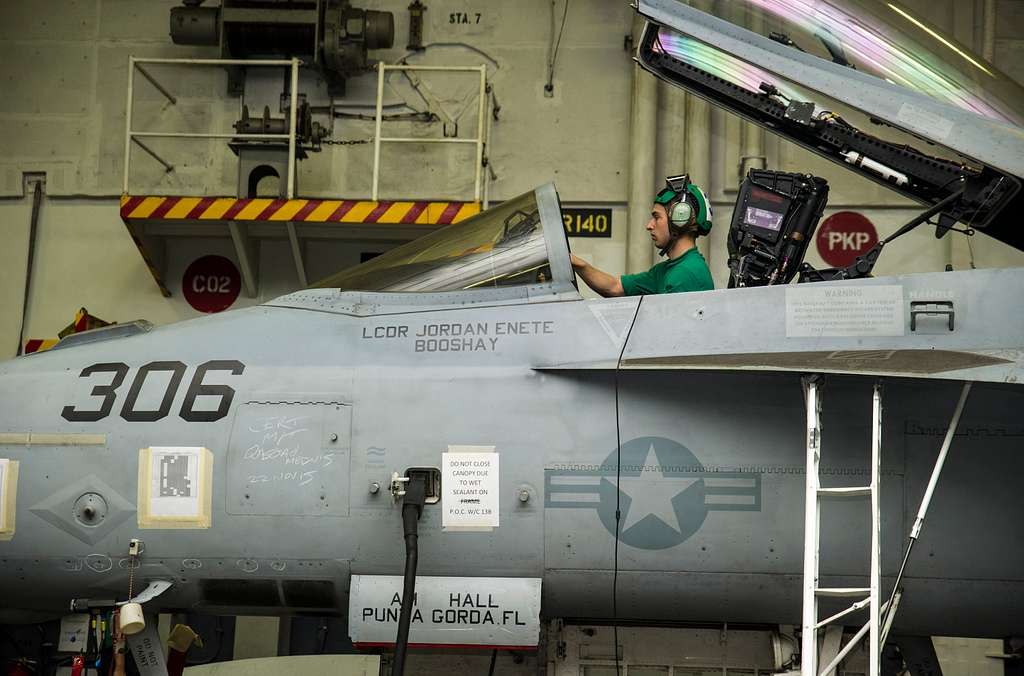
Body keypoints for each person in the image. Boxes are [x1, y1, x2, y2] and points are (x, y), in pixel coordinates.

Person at [571, 175, 714, 297]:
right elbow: (615, 286)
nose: (649, 225)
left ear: (679, 220)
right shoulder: (667, 269)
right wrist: (575, 262)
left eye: (656, 217)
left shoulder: (686, 274)